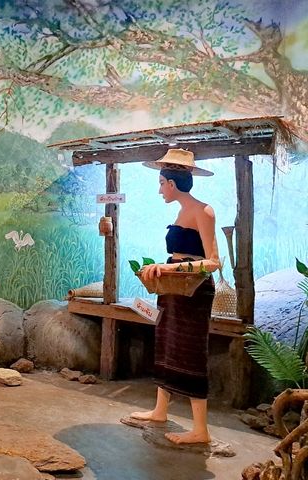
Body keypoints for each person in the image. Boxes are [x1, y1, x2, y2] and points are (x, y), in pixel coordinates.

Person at [130, 149, 220, 444]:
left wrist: (170, 267)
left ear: (171, 183)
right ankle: (160, 410)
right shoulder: (181, 212)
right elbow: (180, 255)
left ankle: (201, 430)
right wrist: (160, 268)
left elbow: (213, 262)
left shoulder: (203, 211)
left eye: (161, 184)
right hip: (173, 287)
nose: (159, 190)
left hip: (194, 290)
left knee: (190, 352)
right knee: (166, 344)